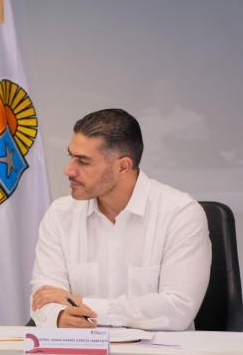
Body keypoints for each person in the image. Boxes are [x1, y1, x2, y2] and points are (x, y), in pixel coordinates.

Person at [30, 109, 210, 330]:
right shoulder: (59, 214)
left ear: (123, 166)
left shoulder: (180, 213)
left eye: (83, 162)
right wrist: (58, 317)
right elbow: (44, 296)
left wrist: (82, 304)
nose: (69, 170)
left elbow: (177, 310)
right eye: (71, 156)